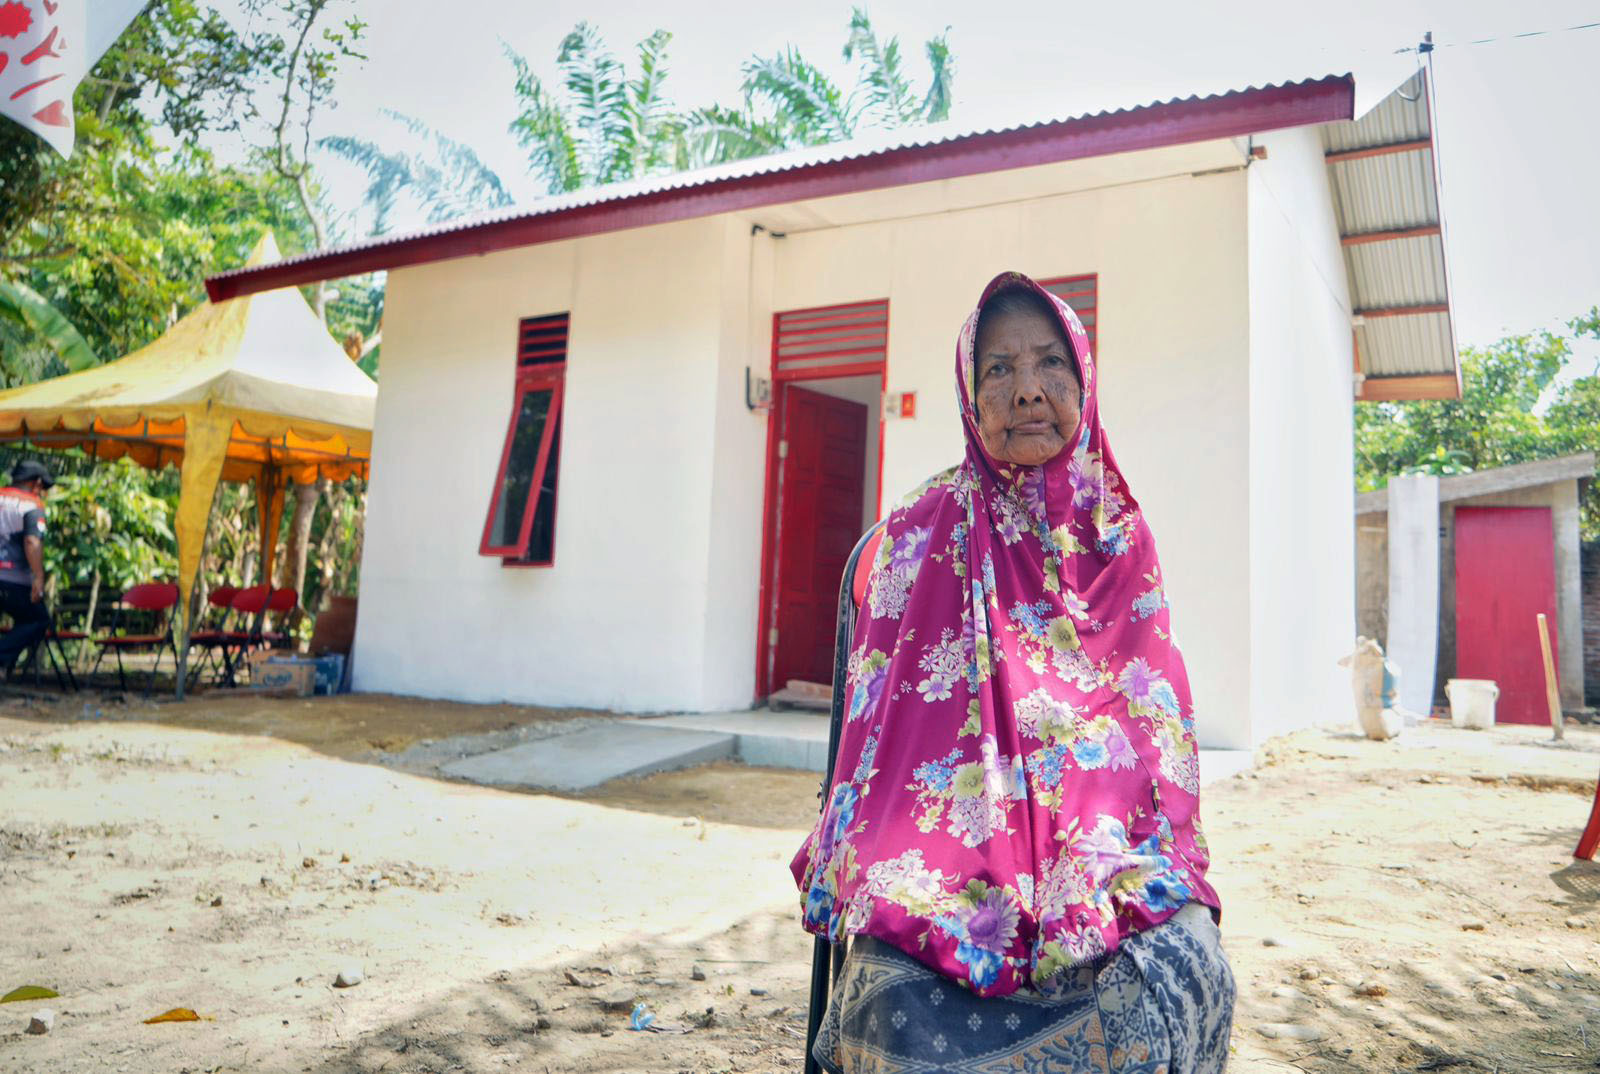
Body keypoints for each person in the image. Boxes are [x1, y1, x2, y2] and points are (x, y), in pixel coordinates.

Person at [794, 272, 1234, 1073]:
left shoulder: (1119, 535)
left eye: (1049, 365)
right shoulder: (918, 535)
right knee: (892, 1005)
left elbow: (1149, 735)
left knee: (1186, 972)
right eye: (998, 369)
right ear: (970, 392)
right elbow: (880, 744)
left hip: (1102, 850)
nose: (1029, 391)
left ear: (1083, 378)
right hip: (941, 858)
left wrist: (1081, 862)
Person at [0, 459, 55, 677]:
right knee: (38, 619)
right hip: (14, 580)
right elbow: (32, 542)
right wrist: (38, 577)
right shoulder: (31, 505)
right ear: (36, 484)